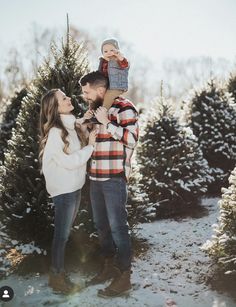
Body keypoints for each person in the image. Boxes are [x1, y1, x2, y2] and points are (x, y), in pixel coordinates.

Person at [80, 71, 139, 297]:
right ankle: (108, 268)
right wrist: (87, 124)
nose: (85, 96)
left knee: (118, 228)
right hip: (95, 178)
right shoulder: (95, 110)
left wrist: (108, 122)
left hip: (114, 178)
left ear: (100, 90)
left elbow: (132, 140)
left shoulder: (124, 108)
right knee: (102, 227)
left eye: (87, 92)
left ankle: (124, 276)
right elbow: (92, 141)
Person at [39, 88, 96, 294]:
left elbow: (76, 125)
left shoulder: (70, 125)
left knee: (64, 233)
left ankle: (58, 273)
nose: (69, 98)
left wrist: (86, 120)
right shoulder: (55, 133)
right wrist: (90, 147)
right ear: (55, 107)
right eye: (63, 98)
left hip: (74, 187)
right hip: (63, 191)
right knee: (61, 236)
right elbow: (70, 162)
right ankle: (56, 276)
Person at [84, 38, 129, 125]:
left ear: (117, 51)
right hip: (106, 84)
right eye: (105, 51)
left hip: (117, 86)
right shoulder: (103, 61)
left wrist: (120, 57)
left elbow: (125, 65)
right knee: (96, 95)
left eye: (112, 50)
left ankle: (101, 115)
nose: (109, 53)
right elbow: (98, 73)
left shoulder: (118, 60)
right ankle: (92, 112)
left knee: (108, 96)